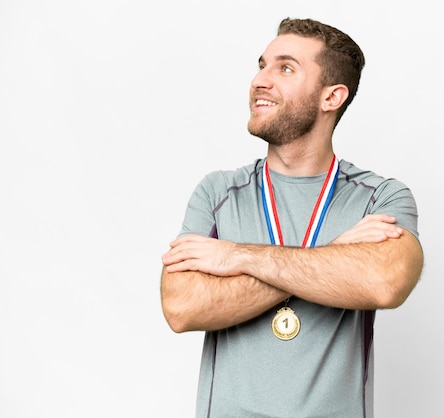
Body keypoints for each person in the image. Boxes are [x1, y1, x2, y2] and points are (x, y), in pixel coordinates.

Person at [160, 17, 424, 418]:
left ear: (331, 97)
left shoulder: (380, 198)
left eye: (284, 68)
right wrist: (332, 254)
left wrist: (238, 257)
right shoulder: (217, 194)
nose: (260, 80)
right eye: (262, 64)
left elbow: (385, 284)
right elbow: (182, 309)